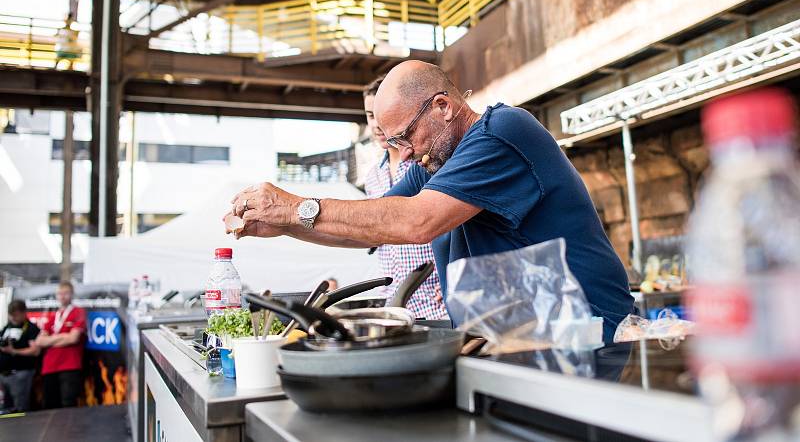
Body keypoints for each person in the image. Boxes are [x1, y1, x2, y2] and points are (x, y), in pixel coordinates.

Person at [225, 61, 634, 341]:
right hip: (524, 338)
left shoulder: (501, 132)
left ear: (442, 107)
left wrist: (297, 206)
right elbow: (372, 230)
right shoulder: (436, 163)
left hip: (587, 332)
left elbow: (416, 222)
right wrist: (286, 226)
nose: (402, 153)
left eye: (404, 136)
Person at [363, 75, 448, 320]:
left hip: (436, 299)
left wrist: (455, 271)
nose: (377, 124)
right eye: (370, 115)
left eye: (383, 115)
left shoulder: (427, 163)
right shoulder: (372, 177)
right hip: (396, 303)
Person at [35, 281, 86, 408]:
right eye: (59, 293)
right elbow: (39, 341)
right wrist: (62, 337)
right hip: (50, 366)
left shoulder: (78, 312)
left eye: (66, 293)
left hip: (69, 365)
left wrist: (51, 340)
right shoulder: (54, 316)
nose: (62, 296)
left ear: (72, 294)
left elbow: (73, 338)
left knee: (68, 404)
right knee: (50, 404)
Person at [0, 300, 41, 412]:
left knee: (20, 408)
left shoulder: (31, 328)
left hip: (21, 372)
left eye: (16, 315)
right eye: (11, 315)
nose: (13, 318)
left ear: (24, 313)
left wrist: (14, 351)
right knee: (6, 408)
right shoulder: (7, 327)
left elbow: (35, 351)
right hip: (4, 374)